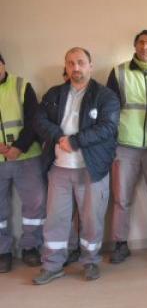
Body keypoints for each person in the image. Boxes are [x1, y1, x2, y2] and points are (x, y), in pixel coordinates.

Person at [32, 47, 119, 284]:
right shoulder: (54, 93)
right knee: (56, 219)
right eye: (71, 63)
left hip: (92, 169)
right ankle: (52, 265)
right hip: (58, 169)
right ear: (66, 66)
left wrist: (75, 141)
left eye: (81, 62)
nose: (76, 68)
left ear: (91, 65)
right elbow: (38, 120)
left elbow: (108, 127)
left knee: (92, 219)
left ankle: (90, 262)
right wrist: (60, 137)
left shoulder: (105, 96)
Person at [106, 30, 147, 264]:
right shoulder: (119, 71)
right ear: (135, 46)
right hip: (125, 146)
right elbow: (110, 111)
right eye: (141, 43)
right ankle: (120, 244)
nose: (145, 47)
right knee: (121, 198)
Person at [0, 53, 46, 272]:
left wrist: (18, 147)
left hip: (26, 157)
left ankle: (31, 247)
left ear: (3, 64)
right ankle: (2, 252)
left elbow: (33, 121)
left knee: (34, 204)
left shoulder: (21, 85)